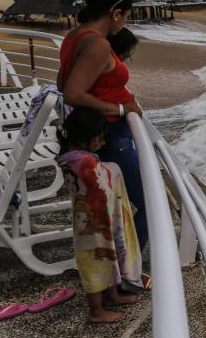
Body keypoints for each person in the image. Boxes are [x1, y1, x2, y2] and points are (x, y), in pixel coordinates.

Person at [57, 0, 148, 250]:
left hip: (101, 131)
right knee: (144, 201)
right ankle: (130, 273)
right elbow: (72, 92)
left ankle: (122, 269)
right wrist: (121, 109)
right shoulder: (97, 44)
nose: (127, 21)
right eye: (128, 15)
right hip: (109, 135)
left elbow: (62, 82)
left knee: (115, 202)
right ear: (116, 13)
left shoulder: (76, 36)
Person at [56, 108, 142, 324]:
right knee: (93, 263)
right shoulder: (82, 162)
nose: (103, 143)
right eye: (100, 138)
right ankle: (96, 310)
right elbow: (99, 184)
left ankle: (112, 295)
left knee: (108, 256)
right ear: (87, 137)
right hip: (91, 224)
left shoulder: (75, 157)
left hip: (97, 219)